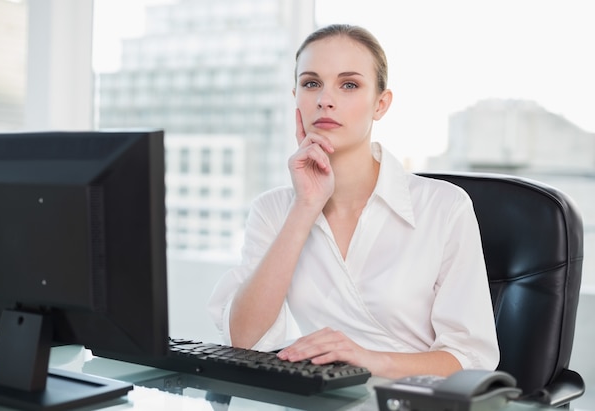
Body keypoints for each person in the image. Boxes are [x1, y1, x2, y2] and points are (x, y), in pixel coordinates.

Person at [207, 23, 499, 379]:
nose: (324, 99)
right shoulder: (273, 210)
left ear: (380, 104)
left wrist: (369, 359)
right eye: (311, 83)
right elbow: (242, 340)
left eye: (349, 85)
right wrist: (305, 207)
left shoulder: (444, 208)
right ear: (296, 97)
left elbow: (471, 359)